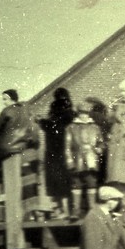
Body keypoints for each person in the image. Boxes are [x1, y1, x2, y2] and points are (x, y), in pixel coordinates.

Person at [64, 98, 105, 220]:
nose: (84, 116)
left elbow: (101, 142)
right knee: (76, 184)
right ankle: (76, 211)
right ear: (78, 113)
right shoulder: (71, 128)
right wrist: (70, 161)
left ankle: (92, 210)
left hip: (92, 160)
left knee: (91, 183)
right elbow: (67, 147)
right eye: (81, 113)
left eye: (86, 113)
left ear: (89, 114)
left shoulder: (95, 127)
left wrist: (100, 149)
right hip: (77, 160)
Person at [38, 88, 74, 219]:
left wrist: (41, 122)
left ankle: (60, 210)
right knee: (62, 181)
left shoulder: (56, 111)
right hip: (62, 150)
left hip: (55, 150)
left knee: (56, 181)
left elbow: (53, 126)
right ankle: (64, 210)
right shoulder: (70, 112)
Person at [0, 89, 38, 169]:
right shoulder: (26, 110)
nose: (4, 102)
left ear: (11, 98)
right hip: (22, 147)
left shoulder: (7, 111)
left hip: (6, 149)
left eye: (5, 99)